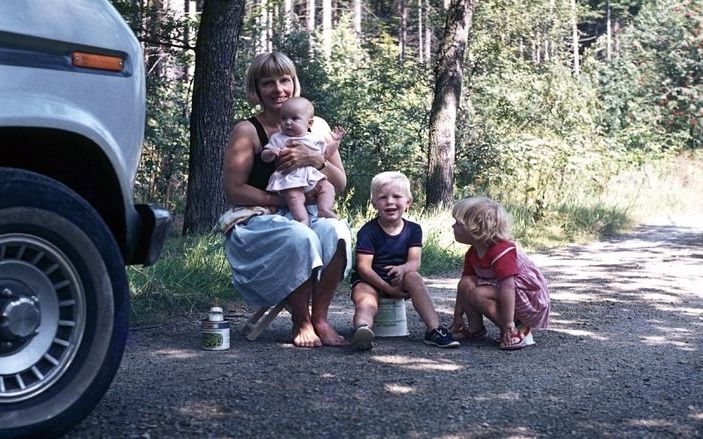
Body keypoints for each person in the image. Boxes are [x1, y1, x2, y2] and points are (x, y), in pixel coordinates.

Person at [222, 52, 352, 348]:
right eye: (268, 83)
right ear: (256, 89)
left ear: (293, 82)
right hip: (257, 218)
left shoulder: (316, 125)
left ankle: (320, 318)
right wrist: (284, 201)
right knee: (300, 235)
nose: (279, 89)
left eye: (284, 80)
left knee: (337, 232)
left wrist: (316, 160)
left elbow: (340, 183)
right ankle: (301, 320)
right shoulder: (248, 130)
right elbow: (234, 190)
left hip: (307, 211)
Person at [349, 171, 460, 351]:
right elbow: (363, 268)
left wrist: (402, 269)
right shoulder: (368, 231)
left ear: (408, 202)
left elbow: (414, 262)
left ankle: (434, 329)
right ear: (374, 203)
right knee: (364, 296)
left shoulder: (414, 230)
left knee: (414, 277)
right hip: (370, 280)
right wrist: (387, 288)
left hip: (400, 281)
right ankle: (363, 330)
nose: (390, 201)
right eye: (383, 197)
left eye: (397, 196)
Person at [450, 197, 550, 350]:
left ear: (476, 228)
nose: (453, 226)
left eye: (458, 224)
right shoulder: (473, 253)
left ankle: (515, 329)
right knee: (466, 284)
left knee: (478, 294)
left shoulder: (502, 251)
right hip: (502, 289)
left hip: (527, 295)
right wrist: (457, 316)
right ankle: (475, 328)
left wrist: (508, 321)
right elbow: (463, 285)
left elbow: (508, 287)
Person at [261, 97, 343, 225]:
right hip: (289, 179)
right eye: (283, 118)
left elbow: (326, 154)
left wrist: (336, 142)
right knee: (294, 197)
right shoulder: (278, 138)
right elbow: (264, 155)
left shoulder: (314, 138)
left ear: (309, 123)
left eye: (294, 119)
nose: (288, 122)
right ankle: (302, 219)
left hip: (312, 178)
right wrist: (271, 153)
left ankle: (324, 209)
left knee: (327, 187)